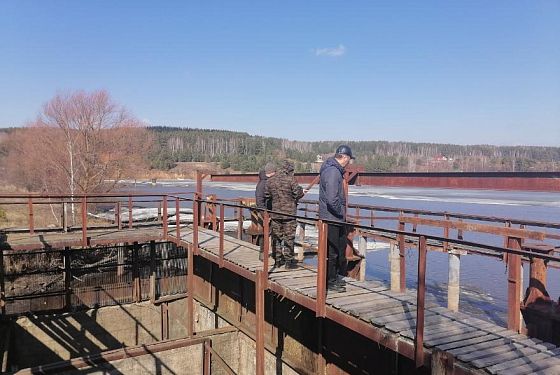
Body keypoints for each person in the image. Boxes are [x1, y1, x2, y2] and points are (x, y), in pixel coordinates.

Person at [319, 145, 355, 292]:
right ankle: (330, 281)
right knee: (332, 251)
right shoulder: (333, 172)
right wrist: (342, 214)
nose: (349, 163)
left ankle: (332, 278)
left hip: (332, 217)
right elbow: (332, 199)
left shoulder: (332, 170)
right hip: (332, 218)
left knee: (336, 250)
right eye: (349, 159)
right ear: (344, 157)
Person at [265, 160, 304, 268]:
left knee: (276, 237)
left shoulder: (270, 181)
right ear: (290, 170)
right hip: (289, 214)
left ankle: (277, 260)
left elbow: (267, 195)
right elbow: (297, 193)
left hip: (276, 214)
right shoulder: (291, 180)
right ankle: (288, 262)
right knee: (289, 238)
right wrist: (301, 191)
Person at [254, 162, 276, 260]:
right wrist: (265, 214)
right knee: (265, 233)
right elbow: (259, 200)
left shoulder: (269, 181)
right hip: (266, 212)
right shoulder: (262, 184)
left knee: (274, 233)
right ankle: (263, 253)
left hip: (272, 211)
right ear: (272, 172)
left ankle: (274, 254)